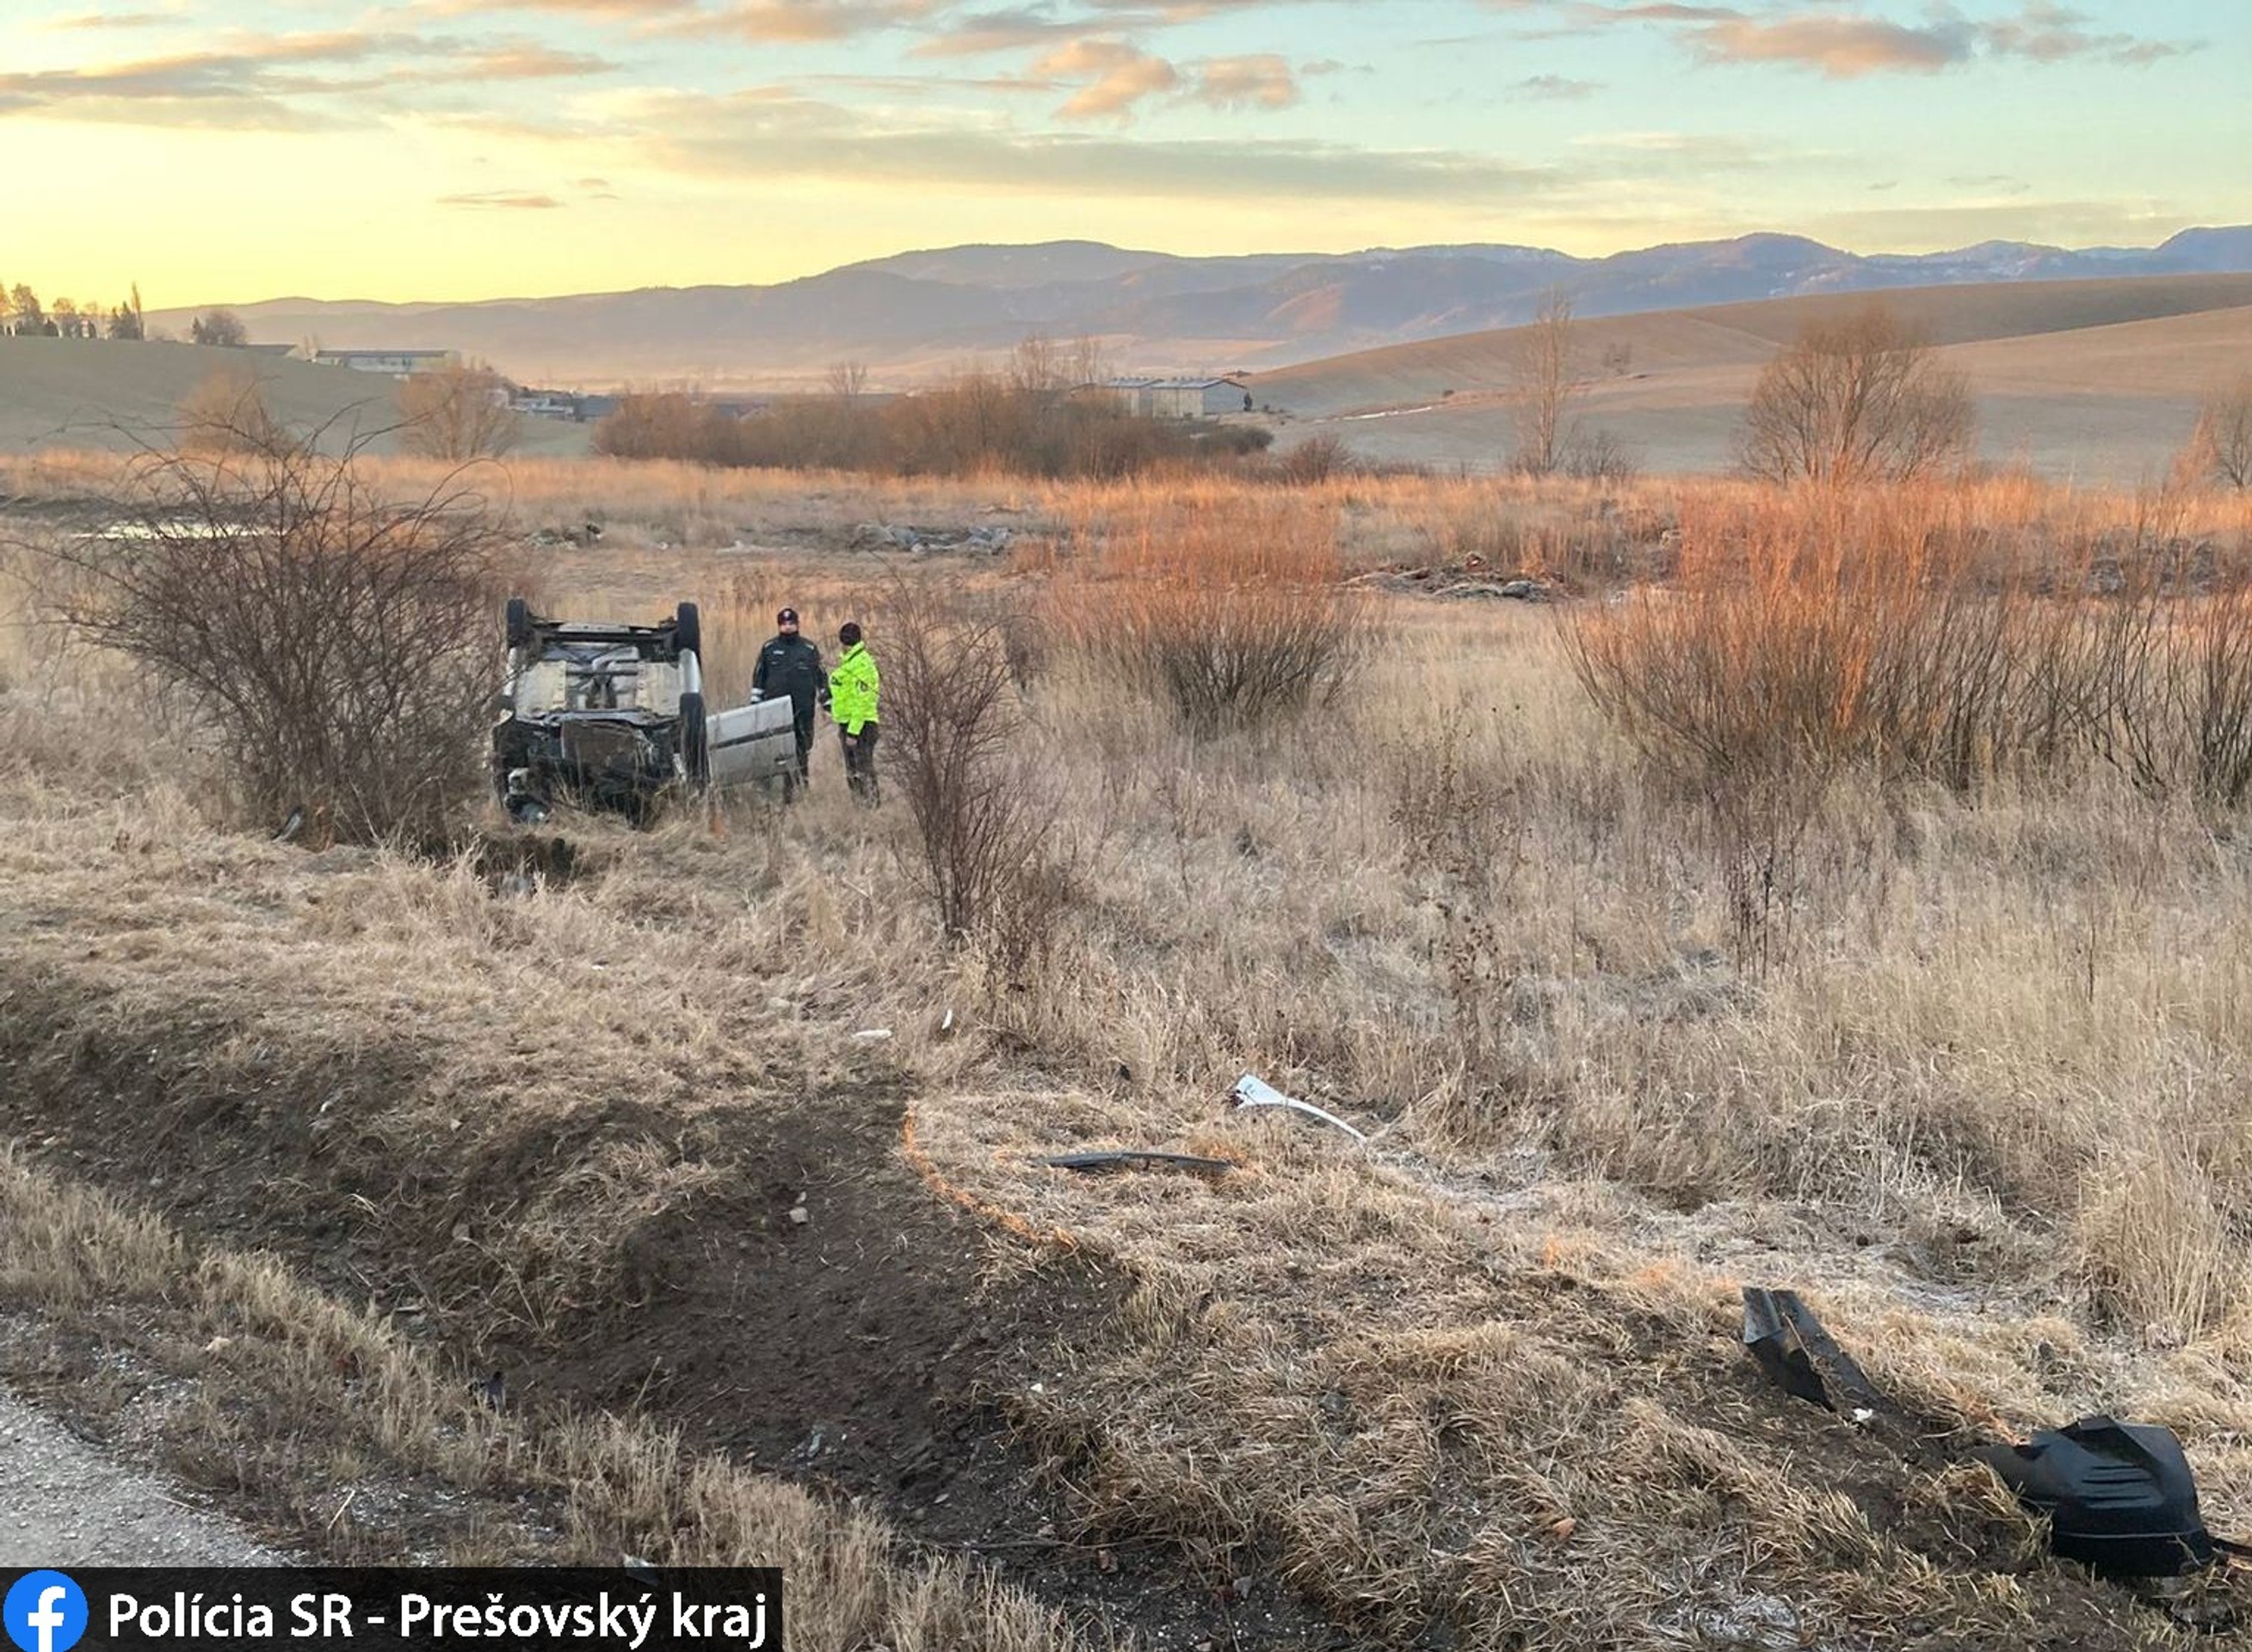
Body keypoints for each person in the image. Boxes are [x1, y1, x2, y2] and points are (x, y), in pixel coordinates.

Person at [751, 607, 826, 798]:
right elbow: (759, 678)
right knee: (775, 750)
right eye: (784, 624)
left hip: (803, 709)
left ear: (797, 624)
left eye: (791, 623)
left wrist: (827, 702)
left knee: (802, 751)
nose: (788, 626)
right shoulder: (769, 648)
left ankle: (801, 789)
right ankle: (771, 792)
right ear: (779, 626)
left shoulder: (809, 649)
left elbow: (821, 677)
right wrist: (755, 705)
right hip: (775, 711)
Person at [830, 620, 880, 806]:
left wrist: (853, 732)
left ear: (844, 643)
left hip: (861, 726)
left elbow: (862, 702)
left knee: (863, 771)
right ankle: (860, 808)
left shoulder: (862, 665)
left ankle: (872, 808)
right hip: (849, 723)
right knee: (853, 773)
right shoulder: (851, 663)